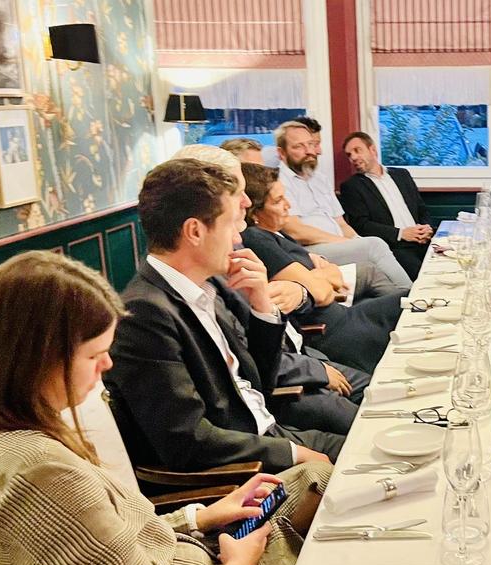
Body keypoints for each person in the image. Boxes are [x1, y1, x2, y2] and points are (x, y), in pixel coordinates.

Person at [0, 250, 332, 565]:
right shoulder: (37, 474)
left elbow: (99, 550)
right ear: (36, 361)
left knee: (316, 476)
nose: (107, 365)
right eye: (94, 355)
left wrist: (202, 516)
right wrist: (242, 564)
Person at [107, 158, 344, 473]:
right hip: (242, 468)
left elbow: (261, 381)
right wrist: (292, 453)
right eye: (231, 223)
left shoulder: (209, 286)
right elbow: (186, 439)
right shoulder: (144, 314)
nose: (237, 237)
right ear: (195, 231)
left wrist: (262, 305)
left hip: (268, 434)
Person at [241, 162, 402, 374]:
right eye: (278, 201)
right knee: (410, 305)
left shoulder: (277, 234)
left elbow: (334, 275)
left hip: (345, 314)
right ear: (254, 212)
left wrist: (316, 277)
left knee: (412, 301)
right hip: (335, 332)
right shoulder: (257, 239)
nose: (288, 205)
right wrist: (319, 279)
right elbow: (322, 294)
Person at [271, 118, 413, 290]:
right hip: (310, 251)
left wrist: (357, 241)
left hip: (336, 245)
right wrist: (343, 242)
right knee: (375, 245)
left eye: (311, 144)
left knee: (373, 258)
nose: (309, 151)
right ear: (281, 153)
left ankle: (400, 301)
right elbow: (296, 231)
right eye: (298, 146)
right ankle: (411, 293)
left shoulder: (320, 179)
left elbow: (341, 224)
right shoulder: (279, 182)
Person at [338, 131, 434, 280]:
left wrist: (427, 228)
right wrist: (401, 234)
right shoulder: (352, 186)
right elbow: (361, 225)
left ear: (373, 150)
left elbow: (421, 208)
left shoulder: (402, 175)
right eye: (349, 155)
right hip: (395, 247)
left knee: (452, 265)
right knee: (424, 278)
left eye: (357, 150)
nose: (354, 157)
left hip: (424, 239)